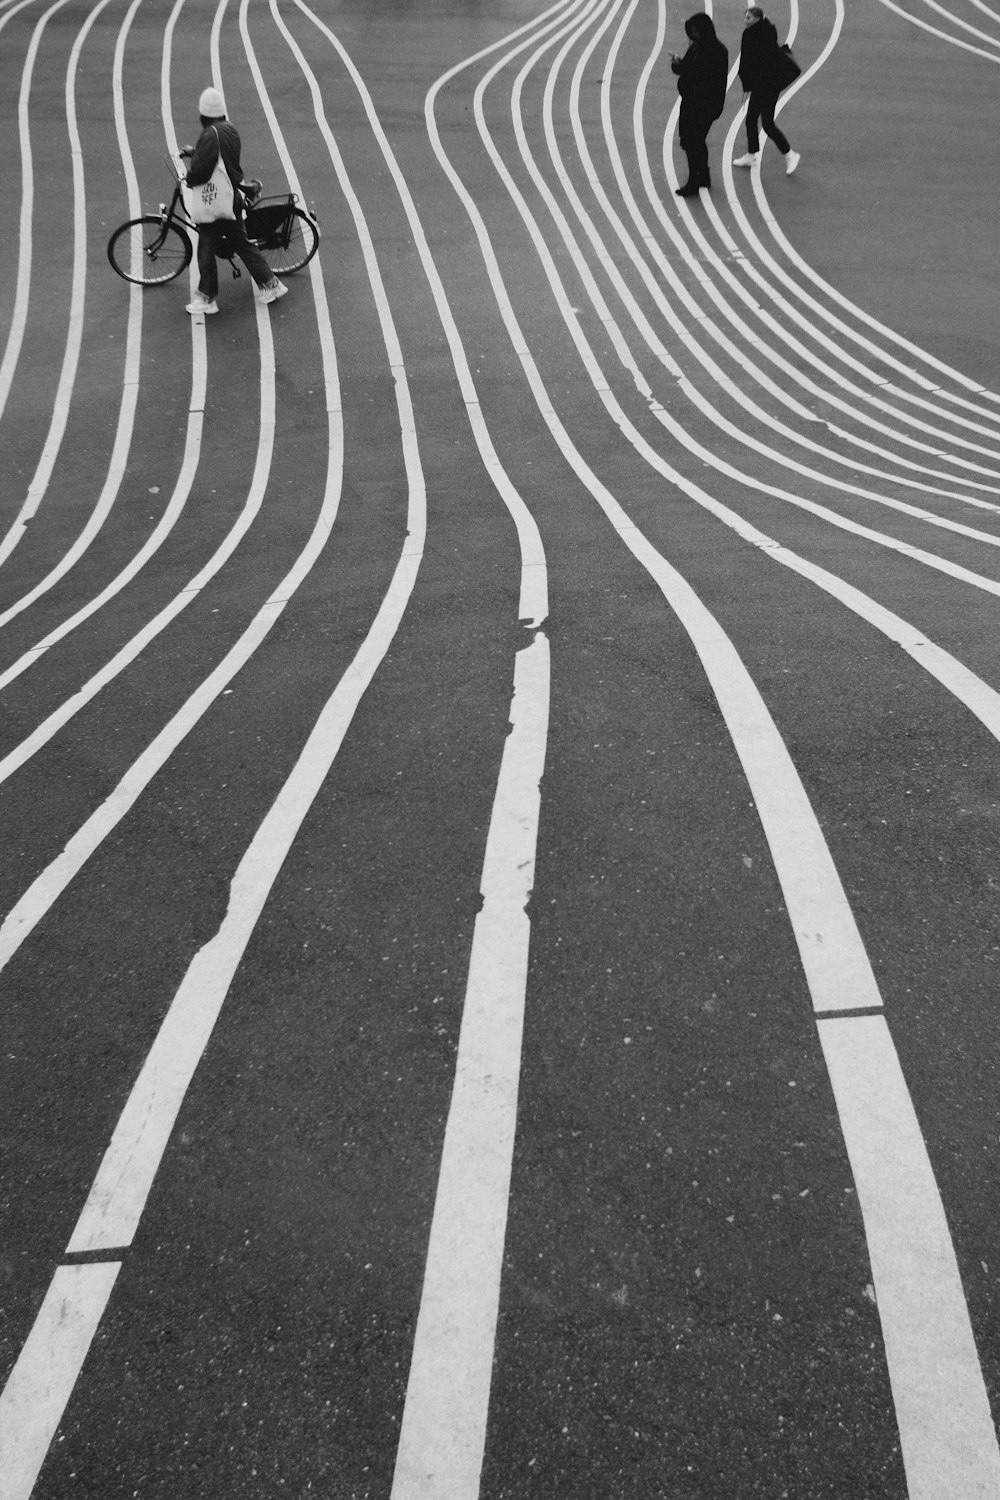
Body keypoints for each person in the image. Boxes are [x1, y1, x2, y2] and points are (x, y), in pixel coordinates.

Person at [181, 87, 289, 316]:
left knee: (207, 244)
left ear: (203, 114)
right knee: (240, 242)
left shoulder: (210, 133)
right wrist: (196, 151)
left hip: (220, 200)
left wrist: (190, 179)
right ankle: (271, 284)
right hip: (231, 195)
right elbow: (218, 157)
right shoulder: (228, 129)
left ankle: (207, 297)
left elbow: (203, 168)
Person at [734, 7, 800, 175]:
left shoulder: (753, 35)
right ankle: (751, 155)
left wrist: (748, 82)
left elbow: (750, 61)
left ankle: (790, 154)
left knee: (767, 124)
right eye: (745, 17)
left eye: (748, 18)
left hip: (767, 85)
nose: (745, 20)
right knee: (750, 119)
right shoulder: (766, 30)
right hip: (762, 84)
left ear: (757, 18)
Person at [670, 13, 729, 197]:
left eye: (697, 31)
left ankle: (694, 181)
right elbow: (686, 69)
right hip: (693, 102)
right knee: (695, 141)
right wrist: (677, 63)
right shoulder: (697, 47)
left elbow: (707, 79)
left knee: (692, 141)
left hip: (703, 105)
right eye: (692, 31)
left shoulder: (716, 51)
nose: (694, 35)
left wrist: (687, 76)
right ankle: (703, 176)